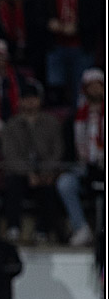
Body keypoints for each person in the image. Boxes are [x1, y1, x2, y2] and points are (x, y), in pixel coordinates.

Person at [0, 79, 64, 243]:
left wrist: (45, 172)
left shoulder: (51, 123)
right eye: (26, 98)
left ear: (39, 100)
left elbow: (57, 151)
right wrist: (28, 173)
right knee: (13, 184)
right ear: (20, 101)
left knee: (50, 188)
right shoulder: (12, 125)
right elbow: (10, 155)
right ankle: (13, 228)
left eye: (33, 98)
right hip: (20, 173)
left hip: (45, 173)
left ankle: (43, 231)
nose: (30, 102)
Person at [57, 68, 104, 247]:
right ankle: (81, 228)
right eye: (91, 86)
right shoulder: (74, 118)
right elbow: (68, 150)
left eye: (99, 85)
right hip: (83, 168)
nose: (95, 89)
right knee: (65, 183)